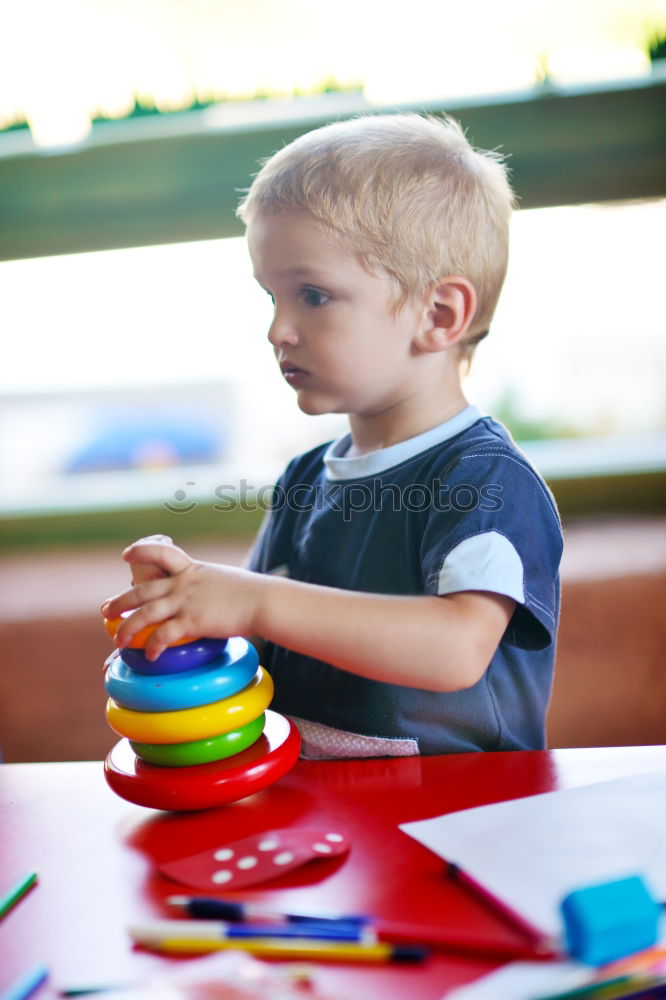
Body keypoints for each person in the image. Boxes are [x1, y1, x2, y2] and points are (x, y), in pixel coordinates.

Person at [101, 113, 563, 758]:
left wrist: (254, 601)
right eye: (272, 297)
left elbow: (457, 649)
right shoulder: (305, 478)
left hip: (461, 814)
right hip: (316, 811)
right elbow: (266, 634)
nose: (277, 330)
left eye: (312, 296)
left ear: (438, 315)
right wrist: (189, 612)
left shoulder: (484, 479)